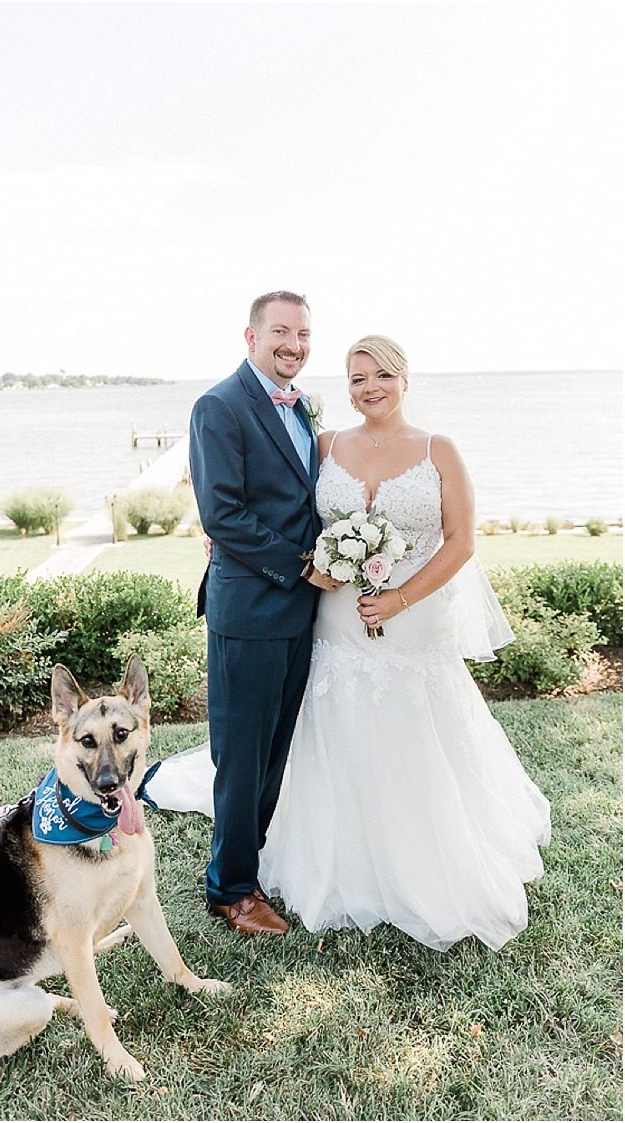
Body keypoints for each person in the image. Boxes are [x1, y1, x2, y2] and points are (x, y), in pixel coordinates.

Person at [157, 333, 550, 952]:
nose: (368, 388)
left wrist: (398, 597)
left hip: (412, 622)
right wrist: (223, 538)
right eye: (356, 378)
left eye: (380, 376)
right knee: (325, 730)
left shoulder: (439, 449)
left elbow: (461, 542)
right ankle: (301, 863)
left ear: (404, 378)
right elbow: (279, 506)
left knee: (410, 732)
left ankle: (416, 856)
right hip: (334, 618)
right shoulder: (326, 442)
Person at [188, 291, 339, 937]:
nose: (294, 344)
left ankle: (248, 865)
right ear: (250, 336)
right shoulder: (219, 406)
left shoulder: (299, 405)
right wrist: (304, 565)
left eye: (303, 333)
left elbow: (302, 500)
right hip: (249, 613)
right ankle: (230, 892)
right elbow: (222, 514)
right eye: (281, 331)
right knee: (243, 759)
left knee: (274, 754)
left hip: (298, 614)